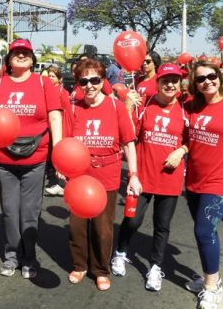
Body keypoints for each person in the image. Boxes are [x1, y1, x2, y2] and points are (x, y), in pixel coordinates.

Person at [0, 38, 62, 279]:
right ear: (9, 59)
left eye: (26, 52)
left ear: (33, 58)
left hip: (35, 159)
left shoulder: (44, 83)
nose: (21, 55)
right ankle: (11, 255)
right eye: (16, 52)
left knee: (30, 211)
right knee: (9, 211)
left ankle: (29, 256)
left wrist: (58, 150)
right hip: (4, 160)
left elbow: (54, 117)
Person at [64, 58, 142, 291]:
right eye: (84, 81)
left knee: (103, 227)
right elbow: (66, 142)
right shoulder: (74, 107)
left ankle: (100, 269)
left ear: (103, 80)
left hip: (107, 174)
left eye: (95, 80)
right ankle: (80, 265)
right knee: (77, 225)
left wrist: (134, 175)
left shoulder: (116, 106)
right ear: (78, 83)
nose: (89, 85)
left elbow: (128, 143)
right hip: (79, 176)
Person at [111, 63, 187, 292]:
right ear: (158, 83)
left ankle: (155, 266)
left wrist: (181, 150)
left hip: (169, 179)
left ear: (179, 84)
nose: (170, 84)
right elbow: (127, 133)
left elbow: (193, 140)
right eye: (165, 80)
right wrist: (126, 107)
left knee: (162, 226)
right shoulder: (144, 105)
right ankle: (120, 252)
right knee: (133, 220)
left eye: (175, 80)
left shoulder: (185, 110)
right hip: (142, 176)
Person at [182, 60, 223, 309]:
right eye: (200, 78)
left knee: (203, 231)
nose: (207, 81)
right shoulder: (191, 106)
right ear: (194, 84)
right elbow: (185, 137)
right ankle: (210, 276)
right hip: (194, 180)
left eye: (211, 76)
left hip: (218, 181)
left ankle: (213, 286)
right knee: (204, 233)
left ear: (219, 76)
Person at [43, 65, 70, 196]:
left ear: (60, 79)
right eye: (49, 76)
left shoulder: (63, 93)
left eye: (53, 76)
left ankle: (61, 184)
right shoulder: (46, 90)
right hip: (47, 129)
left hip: (59, 130)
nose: (50, 78)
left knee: (58, 156)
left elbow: (66, 112)